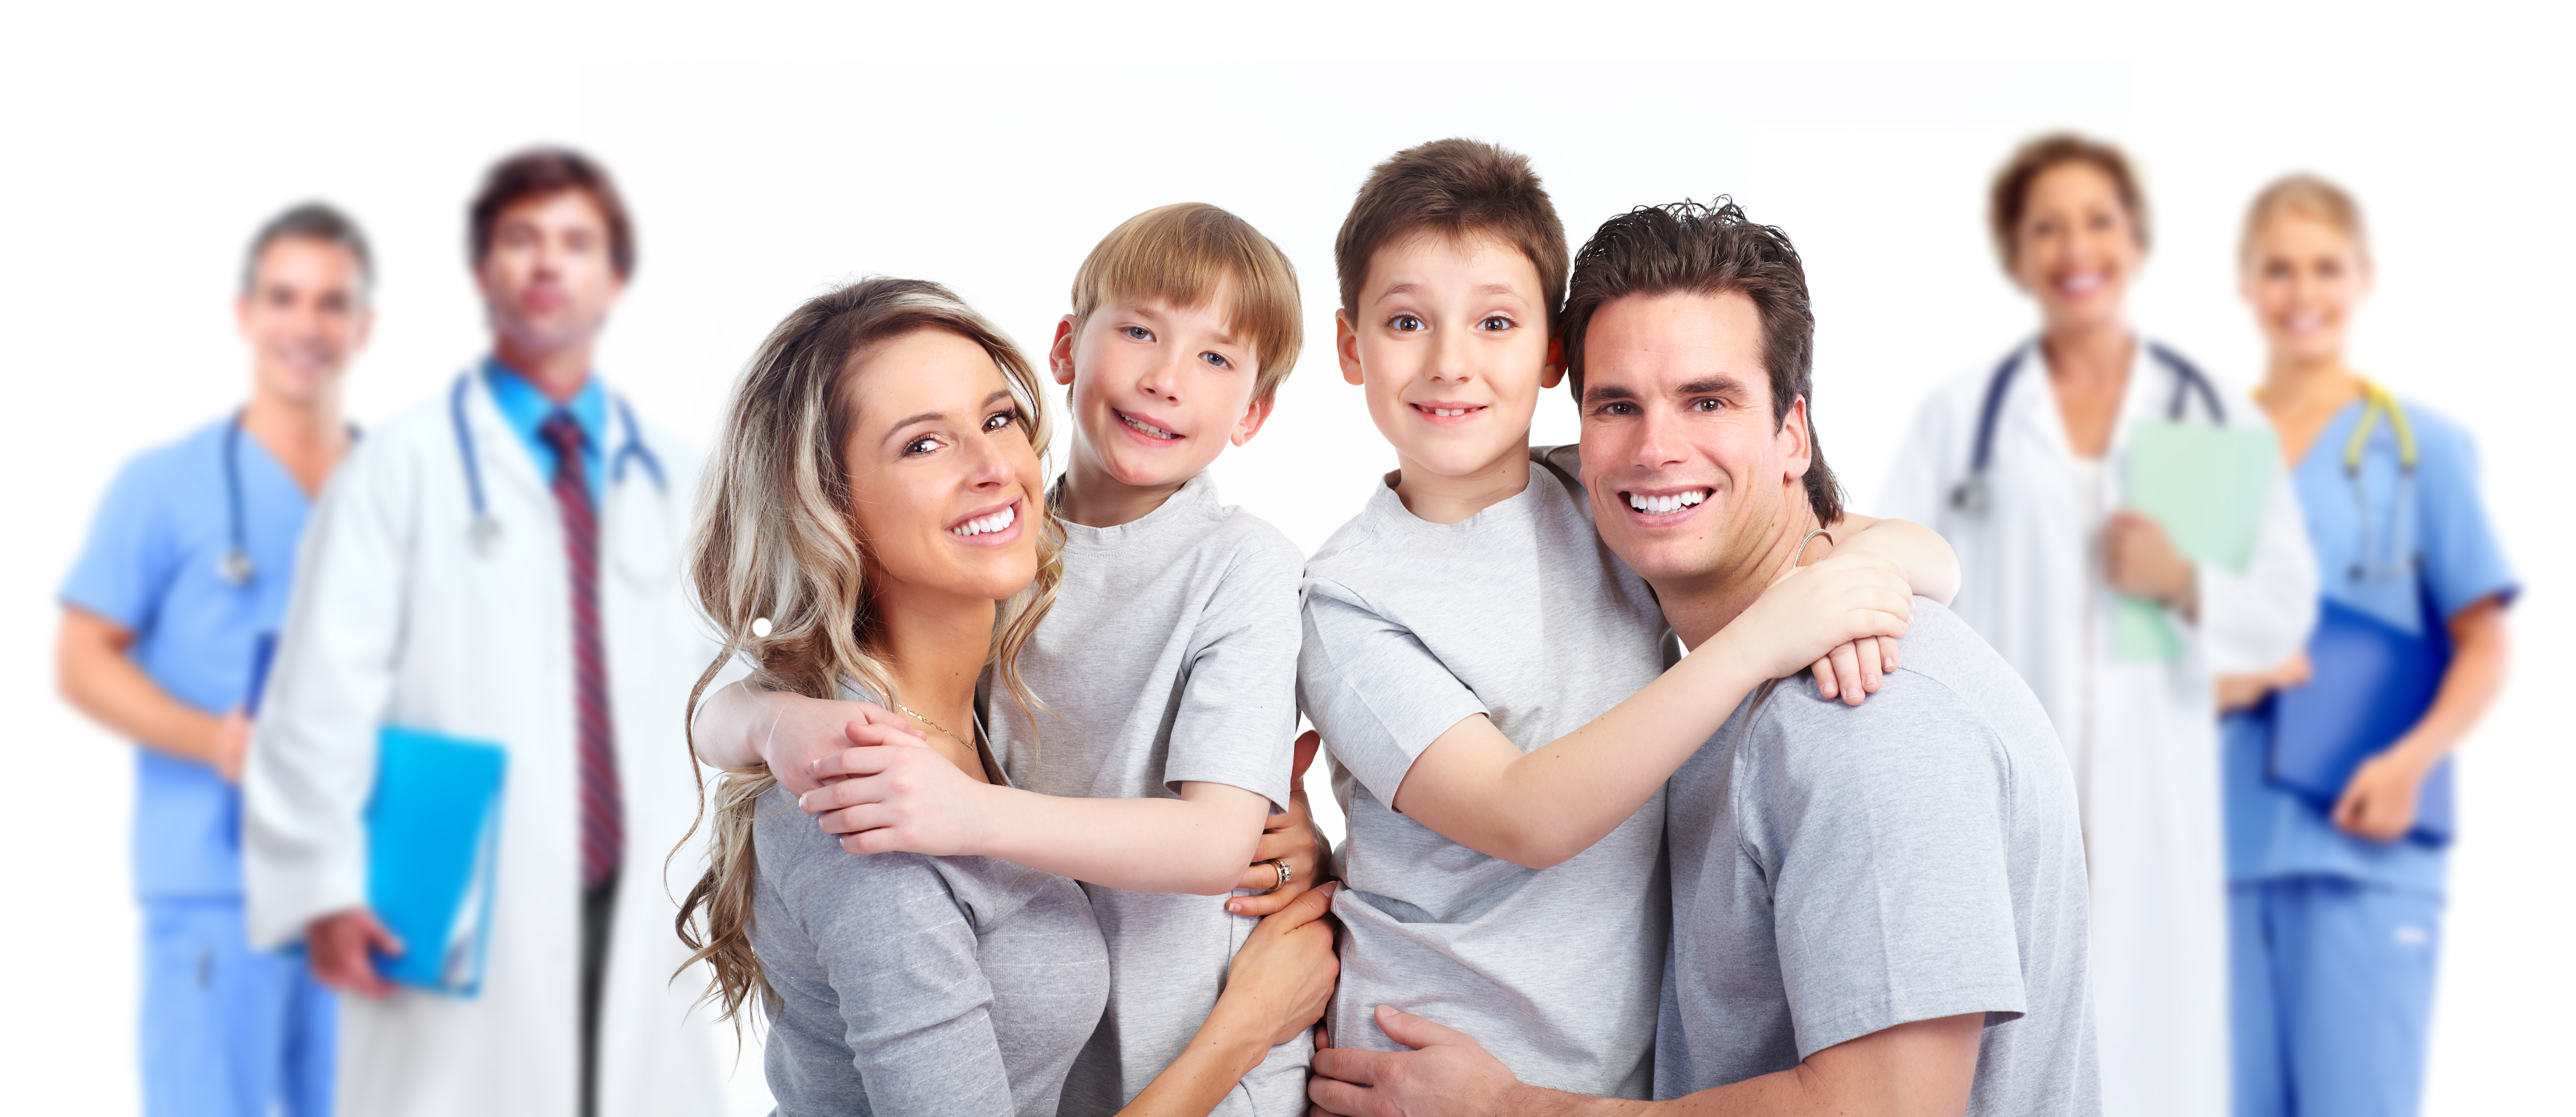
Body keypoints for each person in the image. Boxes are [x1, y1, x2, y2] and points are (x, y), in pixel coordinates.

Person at [1306, 200, 2096, 1117]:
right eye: (1616, 407)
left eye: (1708, 400)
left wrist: (1508, 1110)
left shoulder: (1865, 716)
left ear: (1792, 433)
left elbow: (1887, 1109)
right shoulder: (1716, 660)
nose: (1655, 450)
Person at [690, 203, 1333, 1116]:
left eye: (996, 420)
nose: (1164, 380)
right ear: (1067, 351)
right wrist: (770, 719)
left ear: (1253, 411)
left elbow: (1221, 841)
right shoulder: (996, 592)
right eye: (923, 443)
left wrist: (1300, 850)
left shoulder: (1209, 564)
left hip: (1193, 1044)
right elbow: (730, 706)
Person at [241, 149, 721, 1117]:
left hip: (648, 895)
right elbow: (320, 693)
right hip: (454, 893)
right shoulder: (400, 469)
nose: (548, 263)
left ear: (614, 278)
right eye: (521, 240)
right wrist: (322, 886)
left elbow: (728, 686)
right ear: (482, 272)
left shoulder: (680, 477)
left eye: (576, 242)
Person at [1879, 133, 2317, 1117]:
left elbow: (2281, 608)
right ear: (2017, 253)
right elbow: (1885, 569)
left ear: (2134, 238)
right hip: (2001, 795)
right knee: (2012, 1067)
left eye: (2097, 220)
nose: (2075, 246)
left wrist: (2186, 583)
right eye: (2046, 226)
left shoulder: (2200, 415)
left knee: (2153, 1063)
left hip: (2156, 806)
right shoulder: (1966, 419)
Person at [58, 202, 370, 1117]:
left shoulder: (394, 489)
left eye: (330, 303)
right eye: (285, 298)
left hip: (366, 884)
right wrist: (213, 740)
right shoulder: (164, 487)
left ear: (362, 324)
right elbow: (81, 655)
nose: (306, 325)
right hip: (215, 888)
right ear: (247, 316)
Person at [2216, 175, 2514, 1117]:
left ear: (2362, 279)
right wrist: (2228, 683)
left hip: (2365, 852)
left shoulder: (2422, 447)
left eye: (2324, 269)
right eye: (2279, 270)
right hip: (2215, 856)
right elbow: (2152, 658)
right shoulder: (2199, 452)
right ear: (2246, 284)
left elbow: (2484, 640)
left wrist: (2410, 761)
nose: (2301, 293)